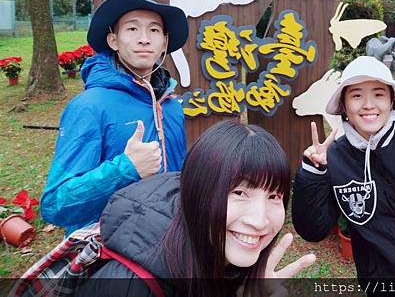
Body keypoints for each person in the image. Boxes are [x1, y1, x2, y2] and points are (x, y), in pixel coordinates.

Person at [76, 120, 316, 297]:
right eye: (239, 193)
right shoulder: (128, 286)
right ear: (196, 193)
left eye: (274, 195)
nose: (260, 220)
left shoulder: (216, 260)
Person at [292, 56, 395, 281]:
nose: (368, 104)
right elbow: (313, 230)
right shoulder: (336, 158)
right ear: (344, 106)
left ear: (391, 100)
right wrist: (312, 173)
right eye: (356, 95)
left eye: (378, 94)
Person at [41, 0, 189, 235]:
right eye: (132, 28)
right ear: (113, 40)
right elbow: (56, 205)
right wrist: (126, 168)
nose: (144, 39)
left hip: (166, 242)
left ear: (164, 42)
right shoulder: (89, 107)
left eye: (154, 30)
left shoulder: (171, 106)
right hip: (109, 252)